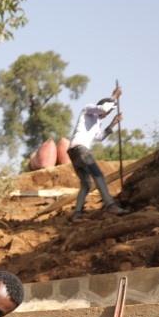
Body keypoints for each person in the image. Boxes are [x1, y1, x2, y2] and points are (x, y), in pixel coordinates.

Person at [67, 86, 130, 222]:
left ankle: (77, 213)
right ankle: (111, 205)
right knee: (98, 175)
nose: (107, 114)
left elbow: (100, 137)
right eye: (108, 111)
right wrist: (114, 96)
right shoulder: (88, 109)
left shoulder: (97, 123)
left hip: (74, 152)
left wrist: (113, 123)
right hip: (80, 150)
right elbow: (103, 109)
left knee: (86, 184)